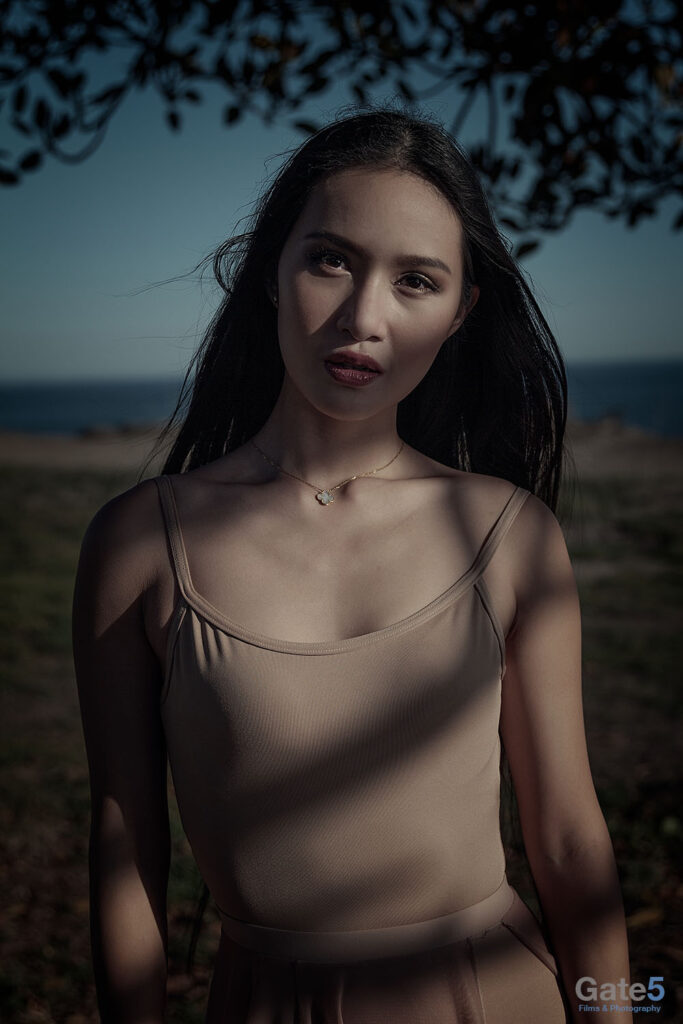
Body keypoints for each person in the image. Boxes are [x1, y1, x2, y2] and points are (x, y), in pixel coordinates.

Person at [73, 108, 632, 1023]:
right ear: (269, 270)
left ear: (459, 312)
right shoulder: (140, 544)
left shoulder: (511, 534)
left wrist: (620, 1015)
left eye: (416, 280)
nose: (362, 318)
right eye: (329, 259)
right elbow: (123, 845)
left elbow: (569, 841)